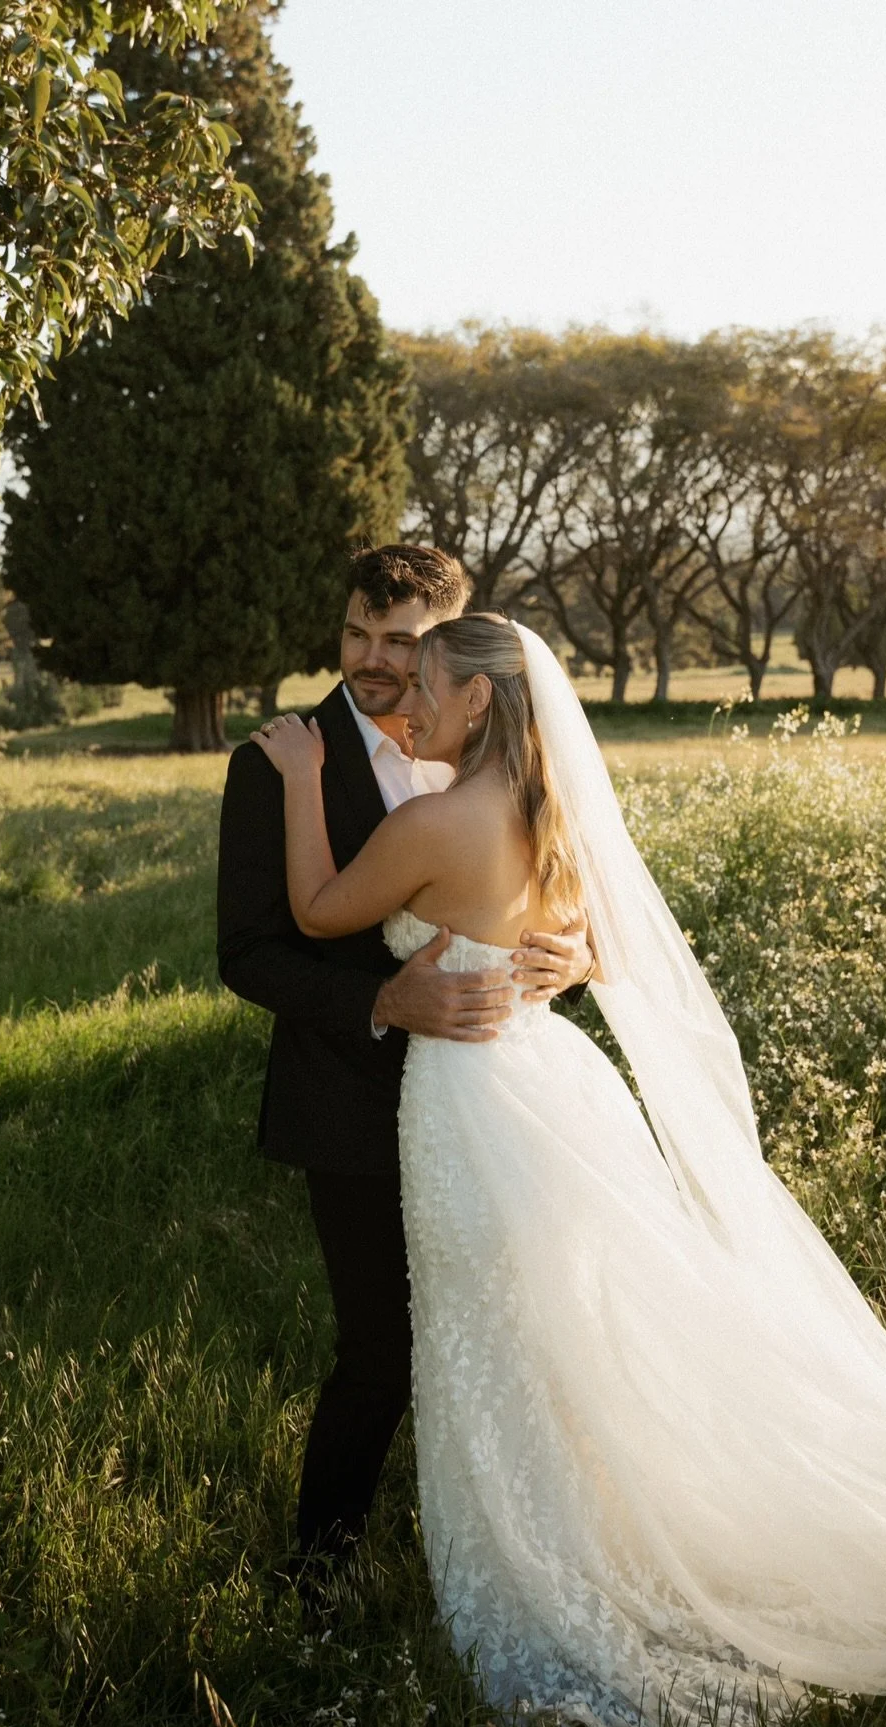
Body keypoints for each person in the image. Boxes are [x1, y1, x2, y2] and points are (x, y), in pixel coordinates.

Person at [250, 609, 886, 1727]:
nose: (412, 704)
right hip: (552, 1083)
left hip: (476, 1106)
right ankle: (610, 1523)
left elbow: (317, 910)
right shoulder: (548, 812)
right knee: (562, 1332)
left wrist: (298, 776)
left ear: (479, 701)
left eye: (429, 686)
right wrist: (563, 952)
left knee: (496, 1337)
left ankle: (564, 1563)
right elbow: (583, 922)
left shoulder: (439, 820)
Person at [216, 547, 591, 1569]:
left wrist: (571, 958)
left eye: (401, 642)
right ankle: (322, 1563)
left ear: (457, 651)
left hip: (490, 1099)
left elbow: (575, 911)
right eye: (355, 634)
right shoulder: (274, 762)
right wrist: (384, 996)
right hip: (349, 1098)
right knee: (379, 1352)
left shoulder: (508, 764)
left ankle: (500, 1540)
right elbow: (249, 951)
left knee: (511, 1328)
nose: (373, 661)